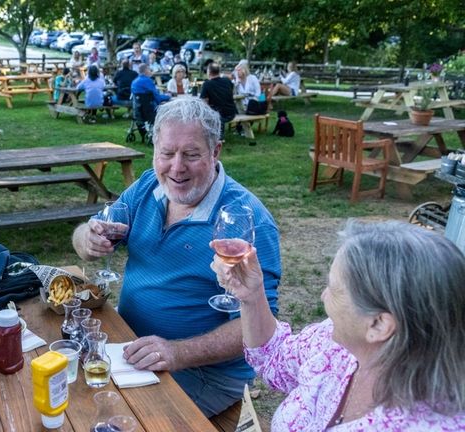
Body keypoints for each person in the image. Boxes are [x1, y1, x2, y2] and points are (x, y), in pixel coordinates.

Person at [72, 97, 281, 417]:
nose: (176, 167)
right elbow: (93, 230)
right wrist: (86, 237)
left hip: (205, 373)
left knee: (107, 417)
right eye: (167, 153)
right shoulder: (146, 187)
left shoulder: (246, 220)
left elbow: (255, 331)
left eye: (191, 154)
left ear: (216, 152)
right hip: (129, 343)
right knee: (69, 388)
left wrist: (176, 353)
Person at [211, 220, 465, 430]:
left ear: (378, 325)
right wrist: (251, 294)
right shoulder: (333, 344)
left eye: (333, 289)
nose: (323, 296)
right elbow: (274, 356)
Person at [200, 64, 237, 140]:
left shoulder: (207, 84)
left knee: (202, 113)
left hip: (217, 115)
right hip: (231, 113)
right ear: (219, 71)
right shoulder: (227, 81)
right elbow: (231, 93)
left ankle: (215, 136)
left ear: (209, 72)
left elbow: (204, 103)